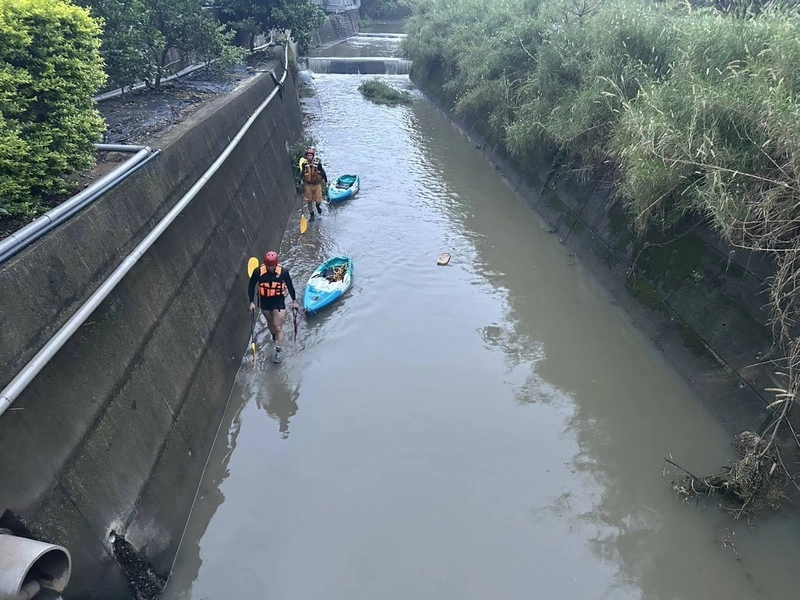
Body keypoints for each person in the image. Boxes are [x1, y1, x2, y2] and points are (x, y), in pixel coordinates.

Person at [248, 251, 299, 363]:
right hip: (265, 301)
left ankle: (279, 350)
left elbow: (290, 286)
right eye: (268, 266)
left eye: (273, 266)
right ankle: (274, 337)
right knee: (271, 324)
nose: (271, 268)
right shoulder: (258, 272)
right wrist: (251, 302)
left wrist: (295, 301)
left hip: (278, 300)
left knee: (278, 326)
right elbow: (251, 286)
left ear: (276, 264)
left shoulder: (283, 272)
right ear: (265, 264)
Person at [298, 147, 327, 222]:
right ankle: (312, 215)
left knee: (318, 201)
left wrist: (325, 180)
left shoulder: (318, 164)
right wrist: (300, 180)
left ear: (313, 156)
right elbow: (302, 174)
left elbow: (323, 173)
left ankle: (317, 207)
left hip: (317, 185)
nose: (309, 157)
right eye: (308, 155)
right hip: (308, 185)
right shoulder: (305, 165)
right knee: (309, 201)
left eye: (310, 156)